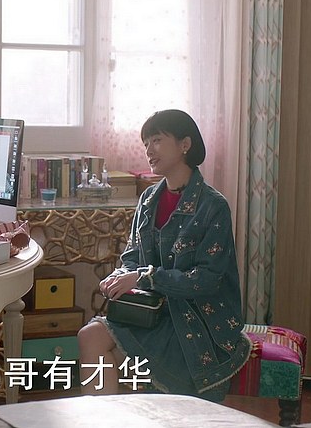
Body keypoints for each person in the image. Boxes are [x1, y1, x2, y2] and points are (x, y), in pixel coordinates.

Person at [77, 109, 251, 402]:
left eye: (157, 140)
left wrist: (143, 278)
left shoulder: (213, 206)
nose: (149, 150)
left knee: (107, 351)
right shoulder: (148, 199)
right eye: (146, 143)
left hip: (196, 321)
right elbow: (132, 256)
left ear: (185, 144)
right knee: (89, 335)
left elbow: (206, 280)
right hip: (153, 312)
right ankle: (101, 420)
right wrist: (120, 276)